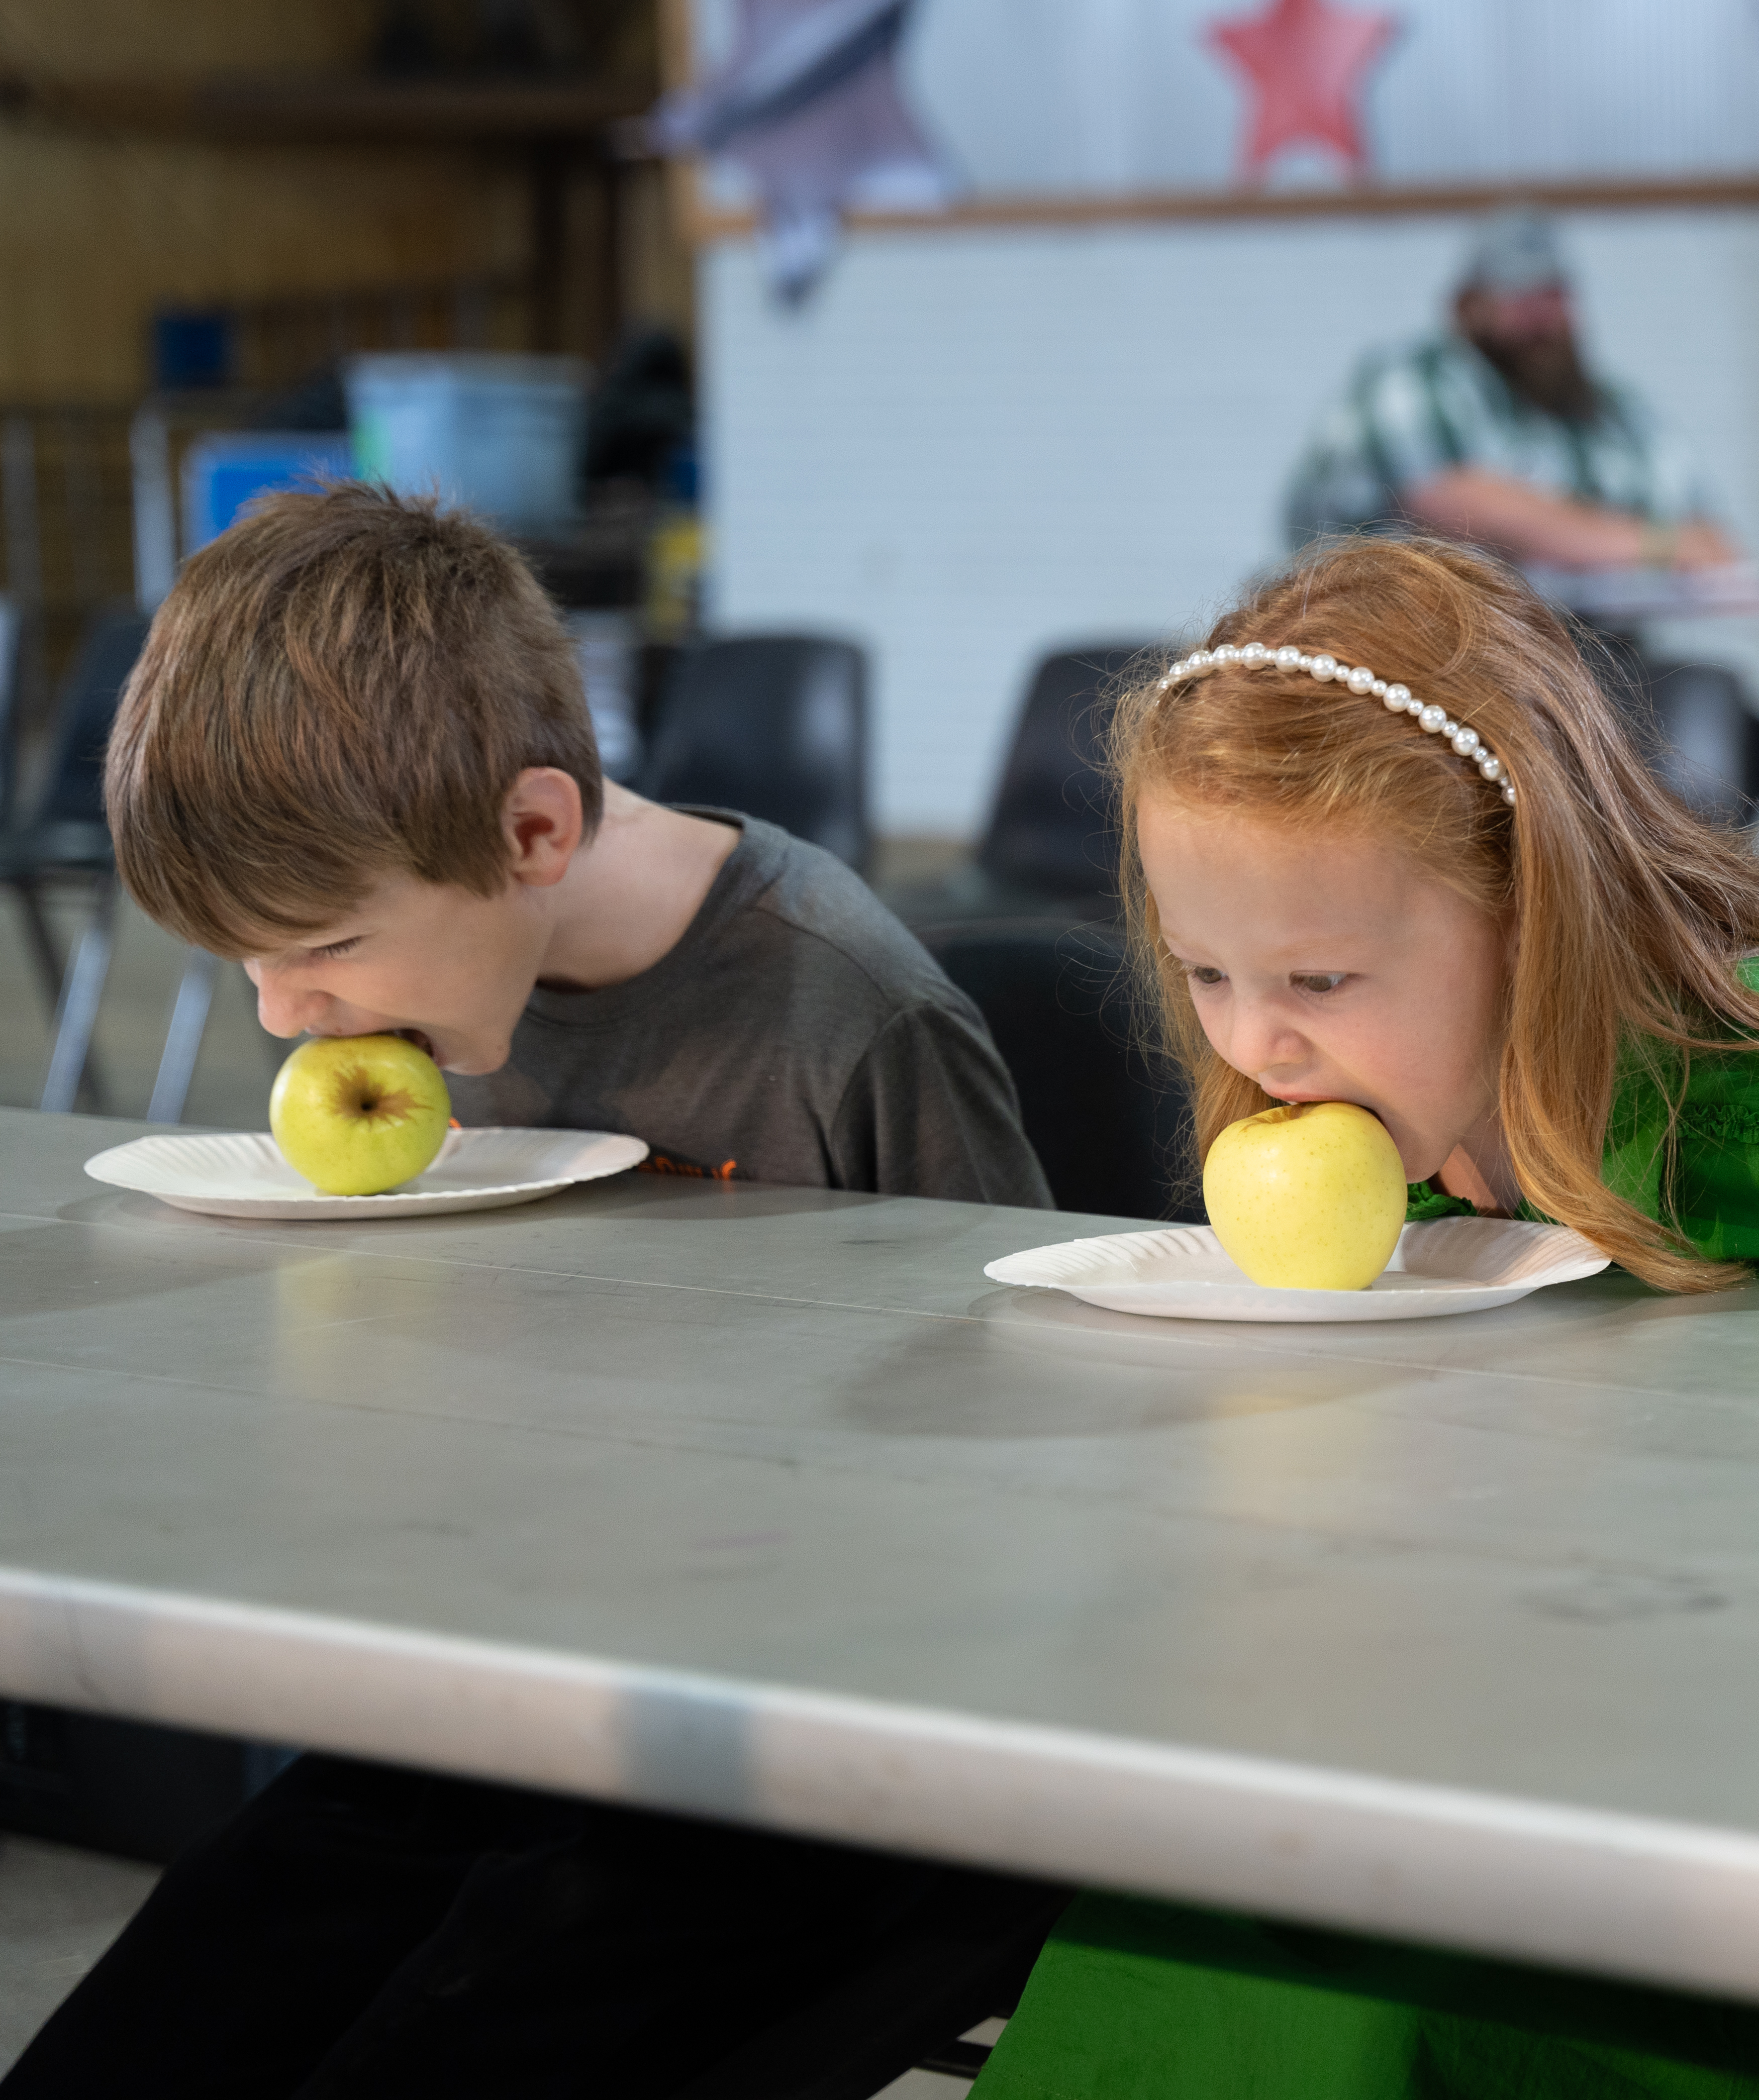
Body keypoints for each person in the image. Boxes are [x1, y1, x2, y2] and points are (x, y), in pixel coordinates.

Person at [969, 533, 1759, 2097]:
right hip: (1416, 1746)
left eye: (1319, 979)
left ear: (1532, 906)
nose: (1256, 1046)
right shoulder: (1344, 1149)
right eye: (1206, 973)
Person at [8, 485, 1061, 2097]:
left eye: (323, 948)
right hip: (511, 1696)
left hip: (811, 1749)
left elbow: (1039, 1489)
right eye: (248, 965)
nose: (286, 1017)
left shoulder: (846, 1019)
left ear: (533, 834)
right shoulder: (434, 998)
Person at [1285, 208, 1738, 571]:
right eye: (1519, 295)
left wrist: (1675, 543)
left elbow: (1706, 536)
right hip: (1397, 638)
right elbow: (1454, 505)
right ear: (1466, 306)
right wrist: (1656, 546)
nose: (1542, 317)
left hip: (1587, 642)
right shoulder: (1413, 382)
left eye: (1554, 295)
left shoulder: (1613, 410)